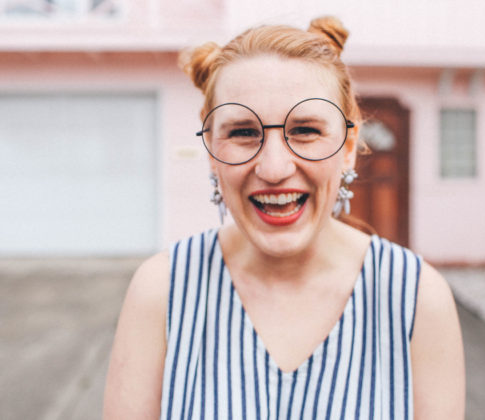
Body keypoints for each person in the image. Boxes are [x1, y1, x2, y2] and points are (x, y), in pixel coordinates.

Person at [103, 16, 465, 420]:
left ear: (348, 145)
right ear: (210, 150)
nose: (274, 168)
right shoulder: (162, 291)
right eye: (243, 132)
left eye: (306, 129)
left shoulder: (415, 297)